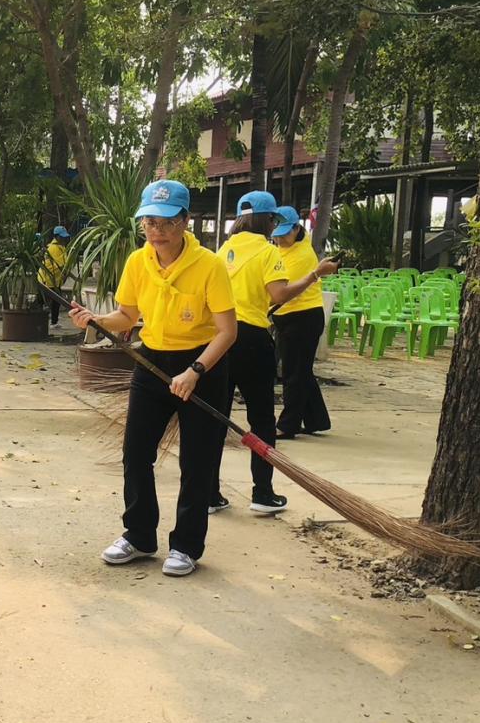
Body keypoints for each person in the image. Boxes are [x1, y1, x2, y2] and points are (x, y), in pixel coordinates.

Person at [69, 179, 236, 577]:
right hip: (152, 362)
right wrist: (96, 319)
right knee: (136, 453)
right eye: (149, 222)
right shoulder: (137, 261)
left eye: (165, 222)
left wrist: (195, 371)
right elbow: (126, 317)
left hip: (203, 365)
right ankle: (140, 536)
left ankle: (187, 546)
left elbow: (228, 331)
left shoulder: (210, 265)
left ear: (184, 221)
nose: (156, 231)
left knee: (198, 461)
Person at [208, 192, 338, 515]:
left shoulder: (221, 252)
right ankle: (262, 493)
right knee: (262, 419)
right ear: (268, 221)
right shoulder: (269, 253)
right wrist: (314, 276)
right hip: (251, 339)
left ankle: (209, 493)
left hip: (219, 339)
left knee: (217, 417)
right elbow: (279, 294)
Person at [271, 205, 333, 438]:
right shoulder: (279, 250)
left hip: (302, 317)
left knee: (293, 373)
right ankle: (317, 419)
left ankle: (288, 425)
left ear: (297, 228)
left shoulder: (302, 255)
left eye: (285, 232)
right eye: (276, 232)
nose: (279, 237)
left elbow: (282, 291)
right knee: (301, 370)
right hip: (286, 318)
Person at [38, 225, 69, 325]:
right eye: (62, 237)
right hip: (47, 279)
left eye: (65, 237)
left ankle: (51, 322)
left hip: (53, 280)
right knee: (51, 301)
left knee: (52, 301)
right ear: (56, 236)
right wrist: (66, 274)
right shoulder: (54, 248)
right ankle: (49, 322)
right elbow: (62, 265)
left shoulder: (61, 247)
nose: (64, 238)